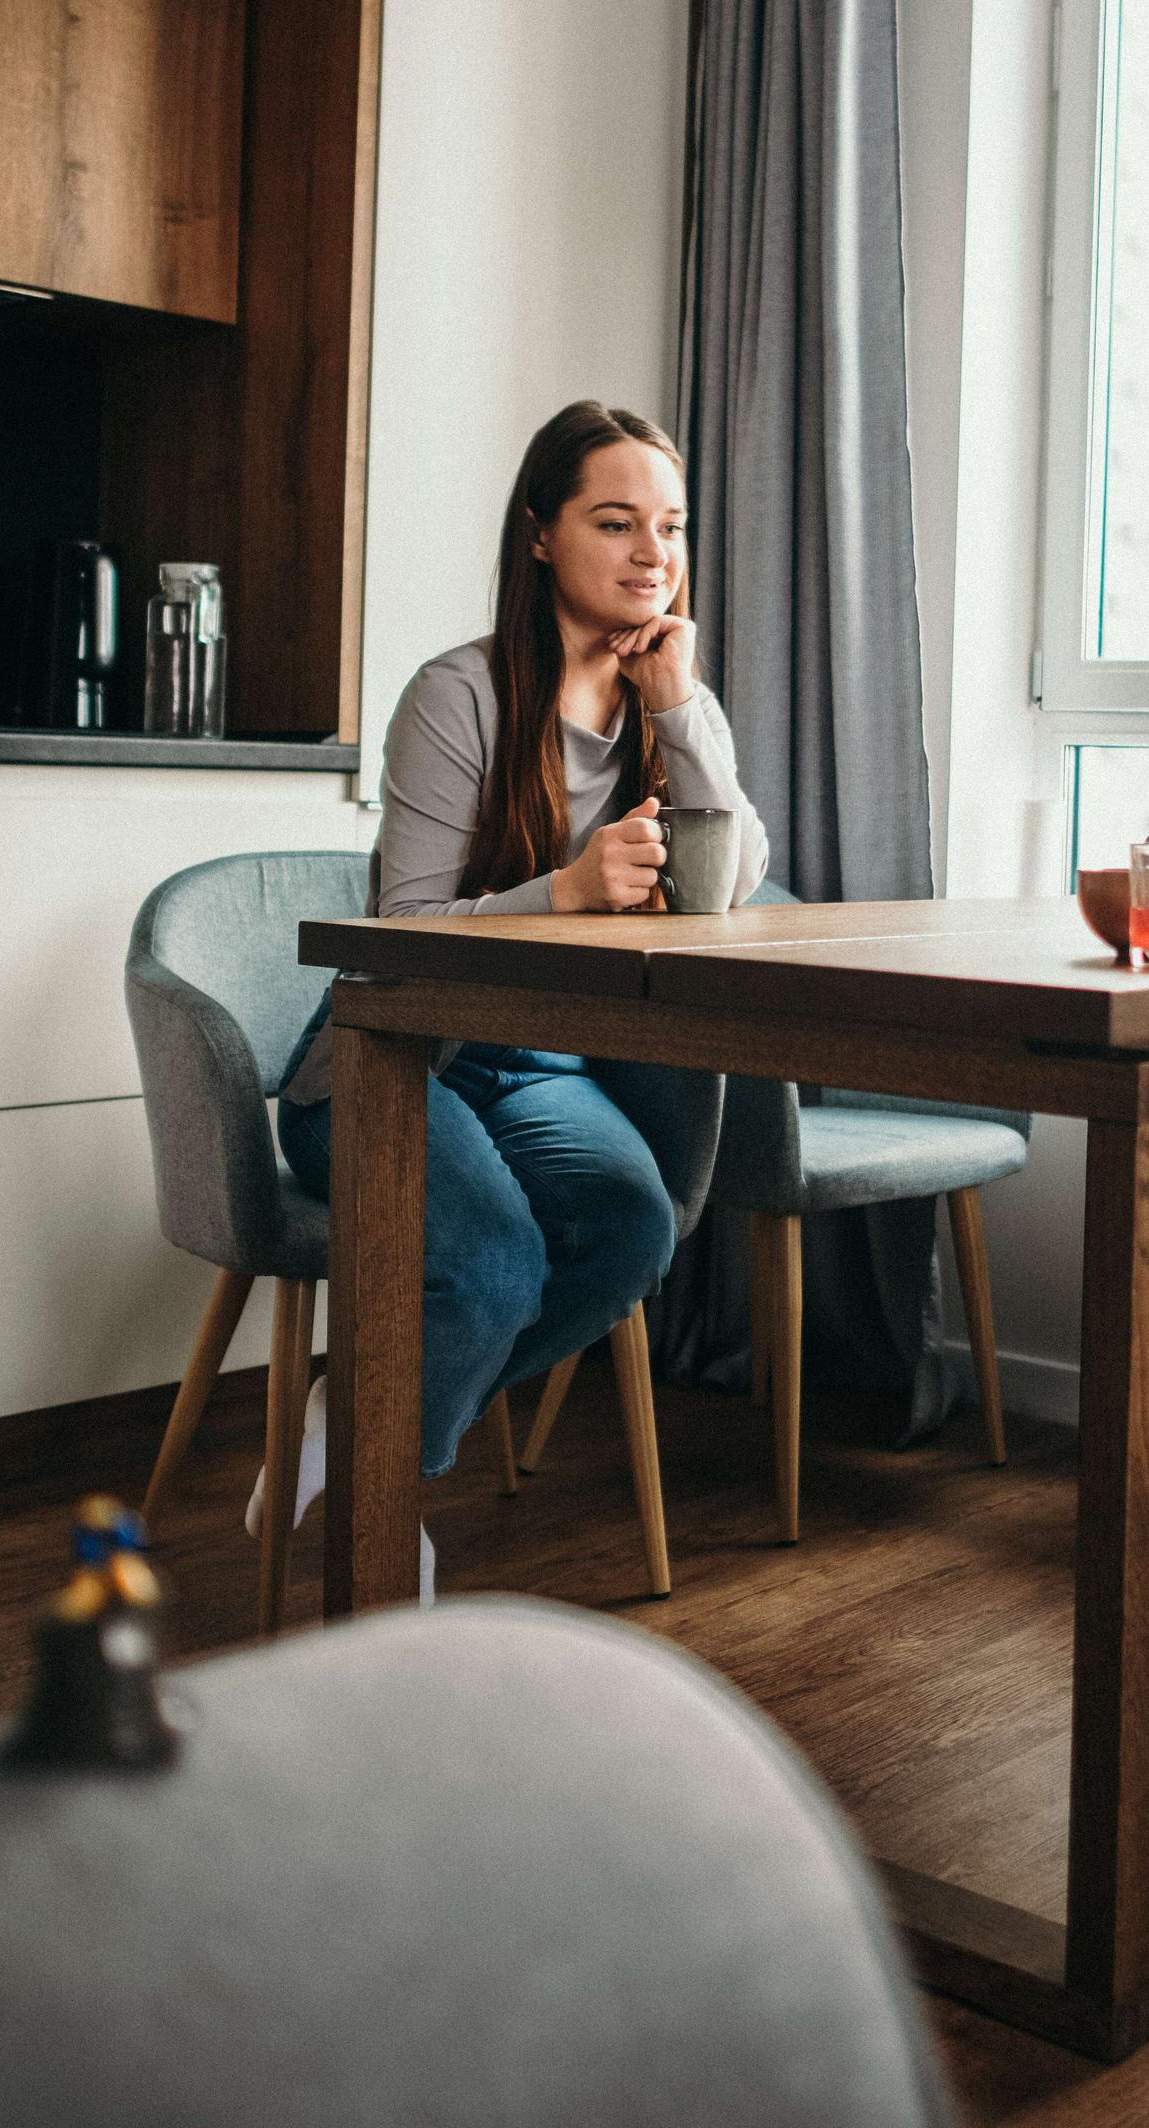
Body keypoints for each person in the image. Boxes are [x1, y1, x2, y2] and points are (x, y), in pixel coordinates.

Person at [259, 401, 768, 1599]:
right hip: (387, 1060)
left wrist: (681, 706)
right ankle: (381, 1504)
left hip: (535, 1068)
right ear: (540, 533)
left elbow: (730, 881)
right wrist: (562, 891)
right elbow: (400, 938)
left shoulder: (668, 697)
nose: (654, 553)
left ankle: (361, 1434)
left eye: (670, 526)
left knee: (629, 1227)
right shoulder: (460, 694)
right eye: (615, 521)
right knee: (488, 1262)